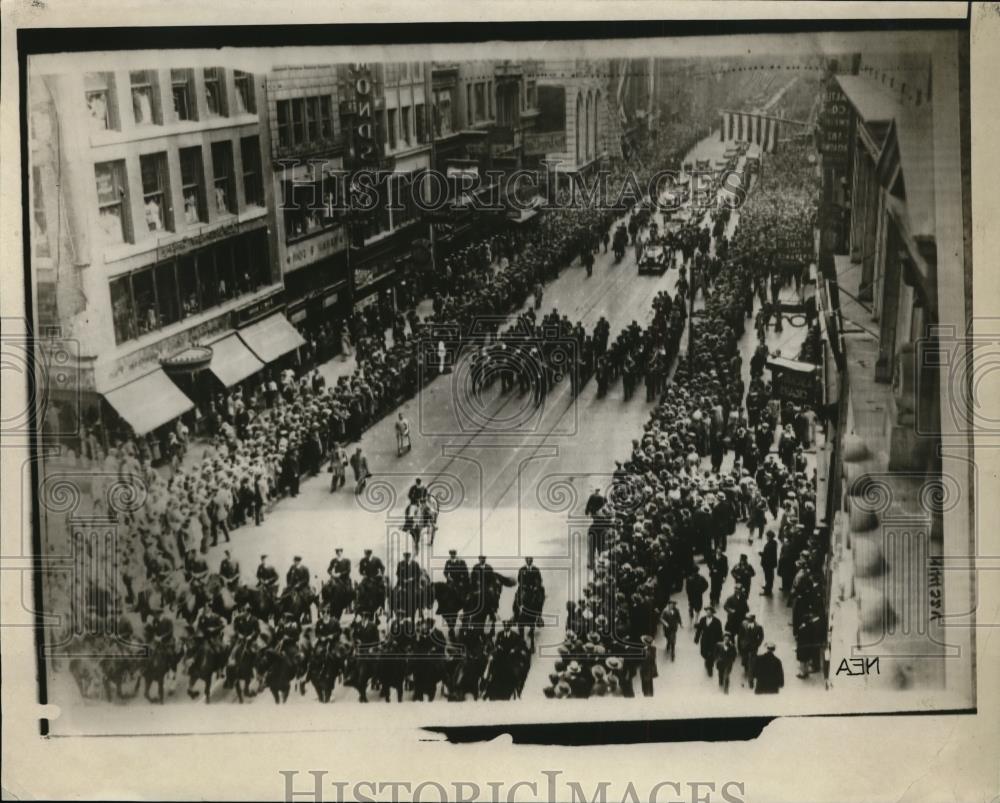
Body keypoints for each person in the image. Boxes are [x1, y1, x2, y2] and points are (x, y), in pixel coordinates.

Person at [694, 605, 723, 677]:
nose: (708, 613)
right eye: (707, 612)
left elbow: (720, 632)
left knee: (712, 654)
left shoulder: (717, 621)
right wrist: (696, 638)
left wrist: (720, 641)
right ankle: (707, 661)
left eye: (709, 612)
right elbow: (699, 629)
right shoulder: (703, 619)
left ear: (712, 613)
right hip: (704, 640)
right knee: (704, 653)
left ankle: (710, 668)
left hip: (713, 640)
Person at [759, 531, 778, 595]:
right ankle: (768, 587)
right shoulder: (774, 543)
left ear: (769, 537)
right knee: (769, 577)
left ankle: (767, 591)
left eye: (767, 536)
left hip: (768, 564)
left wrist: (761, 553)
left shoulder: (770, 545)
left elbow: (767, 555)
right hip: (770, 564)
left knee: (768, 577)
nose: (766, 537)